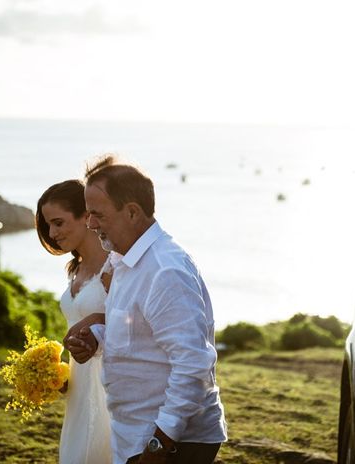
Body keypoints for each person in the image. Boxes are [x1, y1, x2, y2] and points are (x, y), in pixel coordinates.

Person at [66, 155, 227, 464]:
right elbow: (136, 331)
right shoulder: (122, 260)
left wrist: (158, 445)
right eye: (88, 214)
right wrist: (96, 337)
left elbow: (193, 365)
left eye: (97, 214)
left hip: (171, 444)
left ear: (132, 212)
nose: (90, 224)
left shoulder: (165, 270)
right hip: (135, 436)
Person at [36, 179, 112, 464]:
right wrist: (57, 374)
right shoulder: (75, 268)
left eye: (58, 223)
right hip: (78, 386)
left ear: (86, 215)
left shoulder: (115, 265)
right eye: (48, 226)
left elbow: (133, 323)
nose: (52, 233)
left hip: (110, 385)